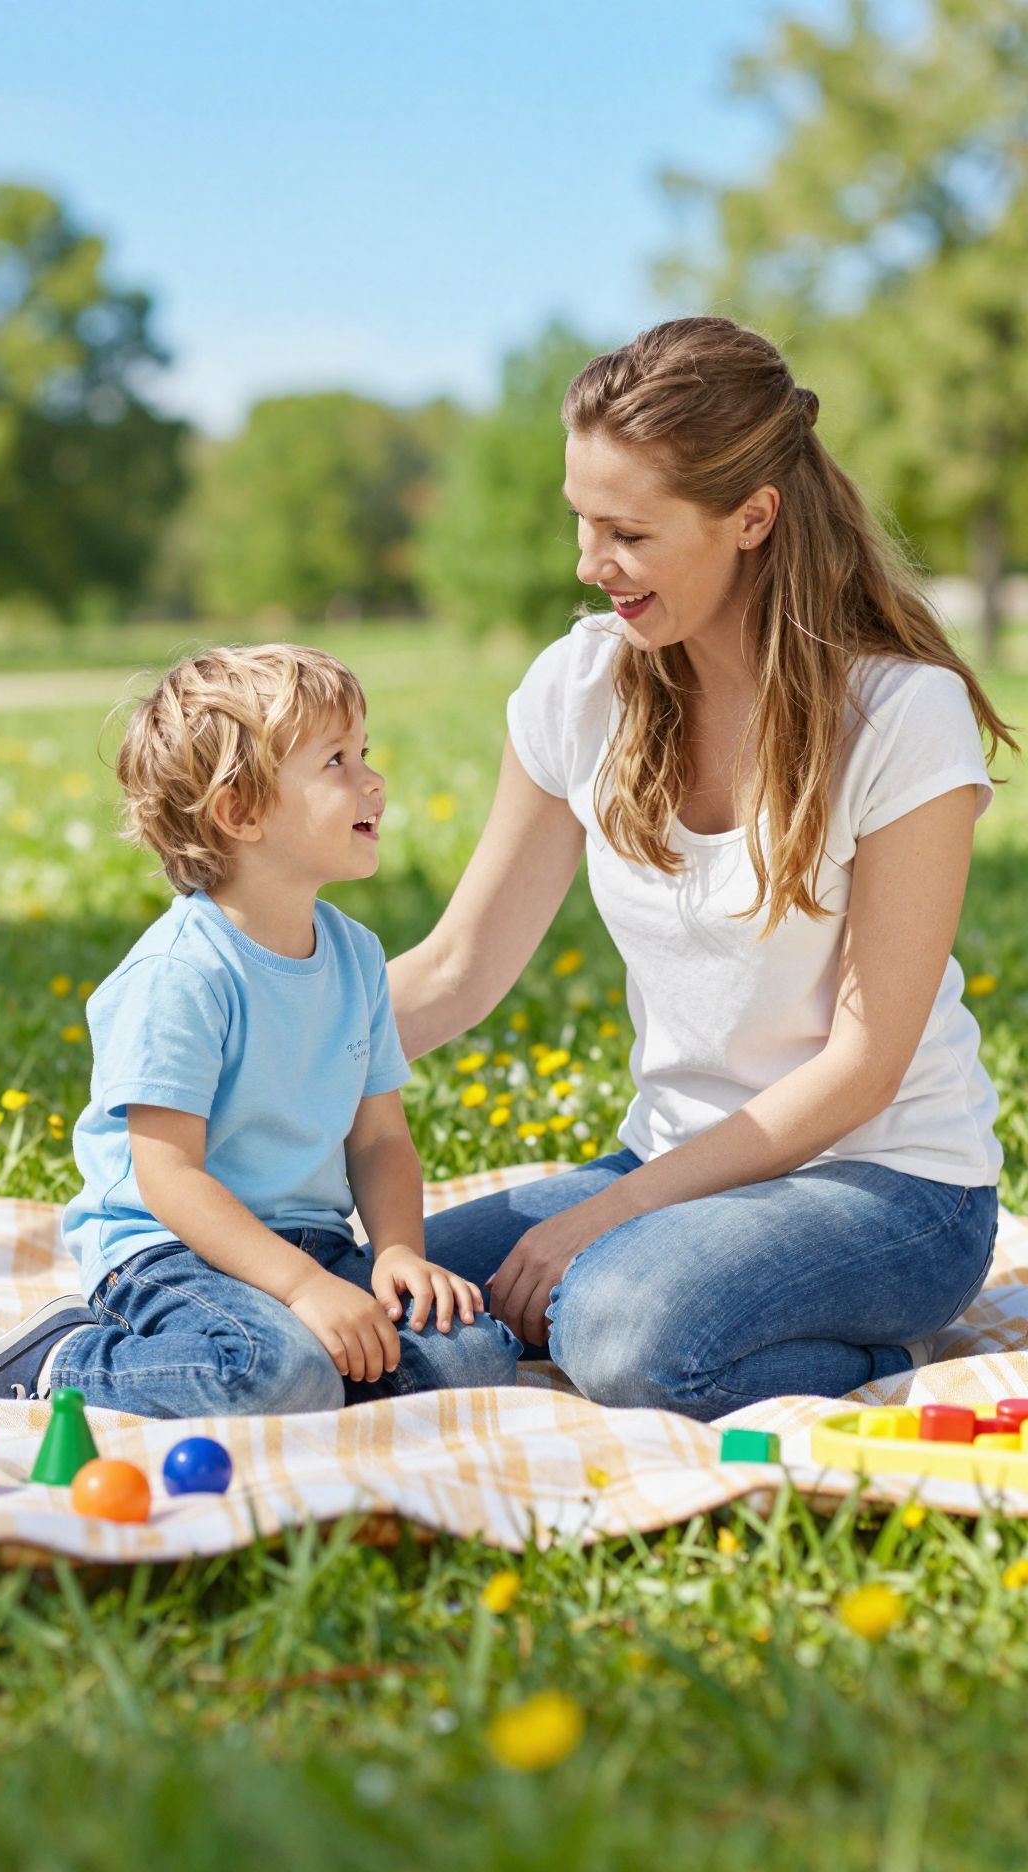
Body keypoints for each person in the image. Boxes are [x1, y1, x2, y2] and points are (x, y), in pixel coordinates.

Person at [390, 316, 1019, 1420]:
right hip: (673, 1166)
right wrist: (237, 1060)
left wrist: (605, 1216)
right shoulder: (580, 688)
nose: (591, 566)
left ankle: (877, 1360)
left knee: (622, 1328)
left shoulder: (899, 715)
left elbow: (865, 1069)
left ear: (752, 518)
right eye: (582, 524)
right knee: (379, 1295)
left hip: (891, 1186)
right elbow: (457, 967)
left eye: (627, 533)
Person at [0, 644, 519, 1414]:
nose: (373, 781)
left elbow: (379, 1139)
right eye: (336, 762)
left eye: (365, 753)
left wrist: (399, 1254)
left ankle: (304, 1360)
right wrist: (304, 1289)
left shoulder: (356, 955)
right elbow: (169, 1178)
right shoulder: (181, 973)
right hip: (170, 1254)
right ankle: (64, 1359)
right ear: (240, 812)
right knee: (274, 1373)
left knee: (474, 1352)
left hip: (311, 1244)